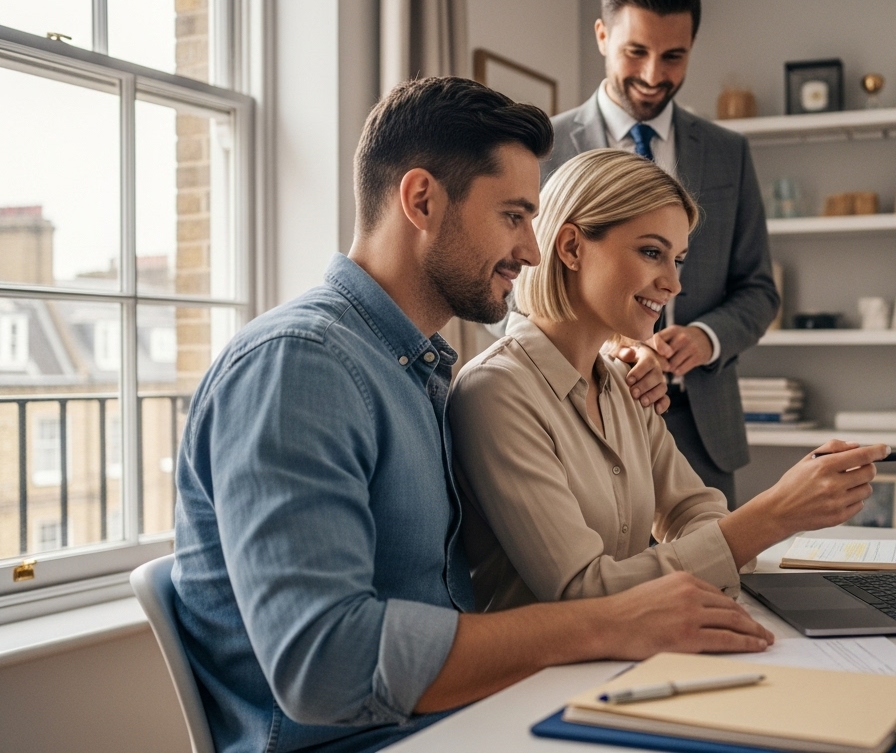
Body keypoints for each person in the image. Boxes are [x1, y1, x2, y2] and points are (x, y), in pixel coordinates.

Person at [171, 78, 772, 753]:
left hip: (467, 719)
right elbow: (325, 665)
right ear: (422, 199)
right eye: (514, 216)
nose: (532, 250)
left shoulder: (412, 368)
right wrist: (607, 623)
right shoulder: (301, 365)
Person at [448, 149, 889, 611]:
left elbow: (691, 510)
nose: (674, 284)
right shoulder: (496, 392)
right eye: (651, 252)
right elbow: (582, 592)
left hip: (633, 652)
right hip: (542, 678)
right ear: (572, 247)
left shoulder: (626, 382)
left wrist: (744, 532)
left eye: (677, 259)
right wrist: (773, 515)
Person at [543, 0, 777, 507]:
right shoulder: (545, 146)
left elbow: (759, 289)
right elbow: (516, 286)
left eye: (673, 56)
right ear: (602, 36)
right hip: (581, 412)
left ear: (692, 46)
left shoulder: (727, 154)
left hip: (702, 425)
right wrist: (611, 346)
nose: (653, 76)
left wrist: (706, 338)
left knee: (718, 570)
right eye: (636, 52)